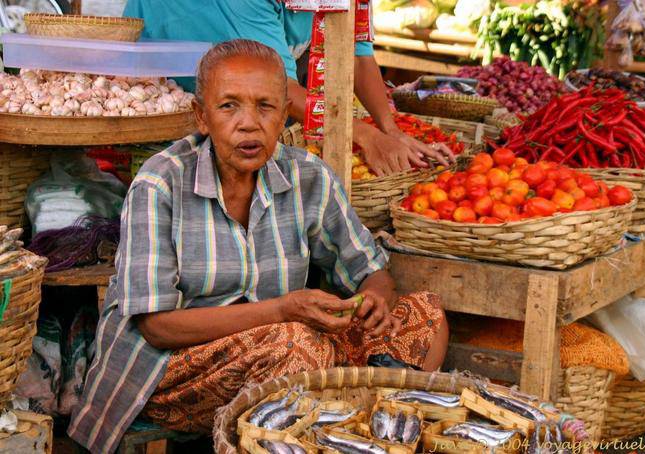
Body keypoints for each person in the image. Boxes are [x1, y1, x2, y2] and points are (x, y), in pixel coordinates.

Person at [67, 40, 448, 453]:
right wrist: (283, 310)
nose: (248, 124)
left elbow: (370, 269)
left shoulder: (307, 177)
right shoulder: (161, 183)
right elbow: (158, 327)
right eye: (229, 106)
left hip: (284, 352)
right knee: (298, 347)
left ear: (284, 115)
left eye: (265, 107)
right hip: (166, 370)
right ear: (202, 116)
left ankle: (372, 438)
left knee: (424, 316)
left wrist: (374, 296)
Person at [122, 0, 455, 177]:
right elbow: (278, 87)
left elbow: (357, 52)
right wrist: (366, 137)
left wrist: (390, 129)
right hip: (166, 108)